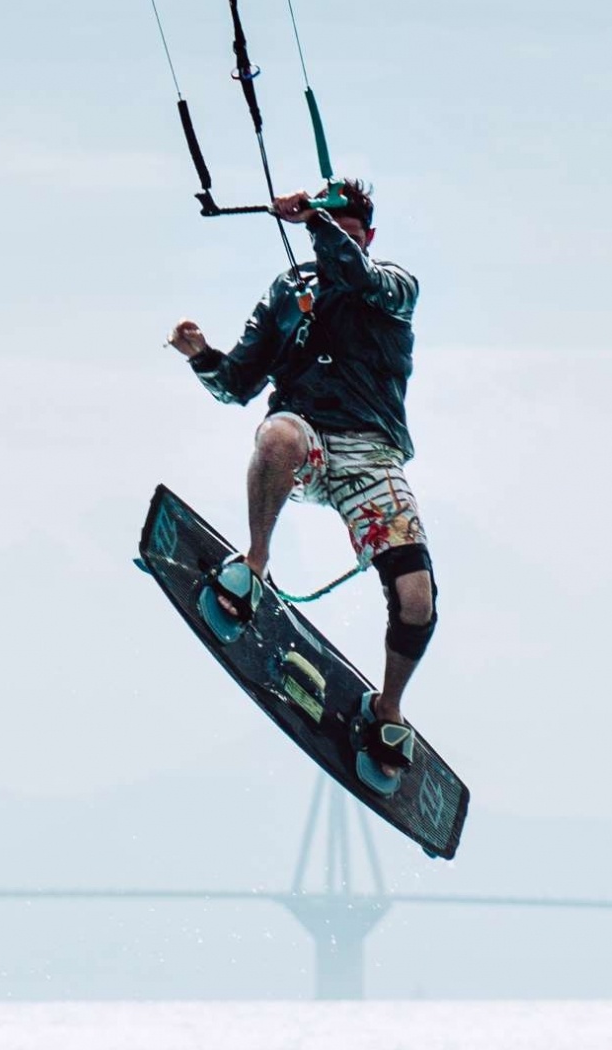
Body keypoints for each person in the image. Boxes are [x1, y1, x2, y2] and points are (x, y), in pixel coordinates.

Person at [168, 177, 436, 796]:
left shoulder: (393, 287)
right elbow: (238, 383)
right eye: (327, 229)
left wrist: (316, 219)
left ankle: (388, 710)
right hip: (309, 437)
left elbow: (357, 275)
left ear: (367, 237)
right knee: (277, 434)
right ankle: (254, 565)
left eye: (348, 231)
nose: (337, 241)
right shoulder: (289, 293)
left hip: (371, 453)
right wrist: (201, 355)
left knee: (417, 597)